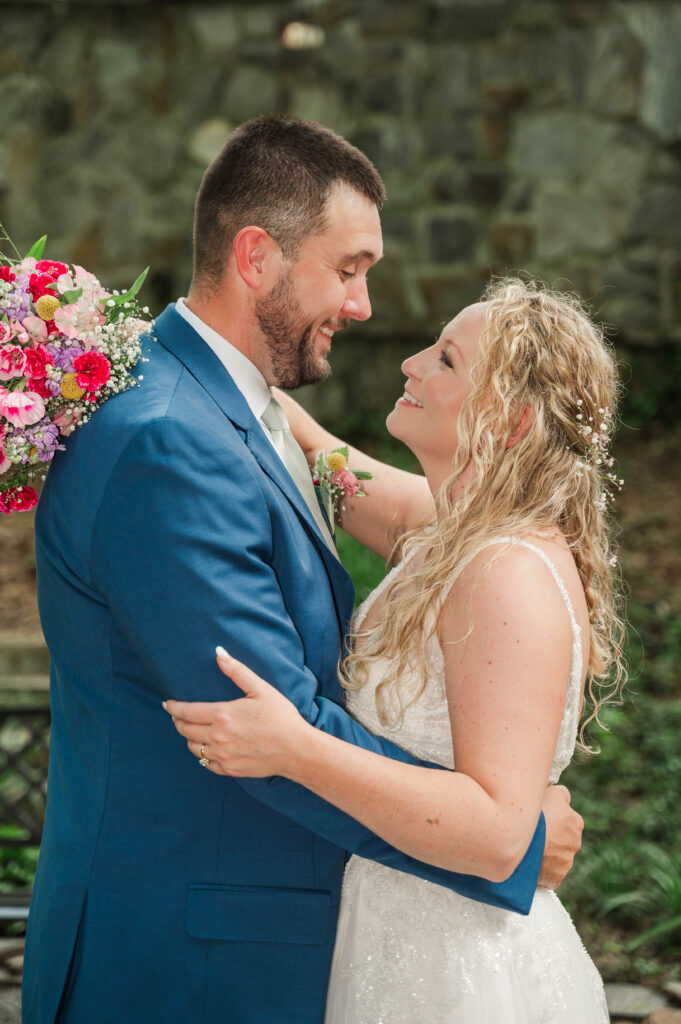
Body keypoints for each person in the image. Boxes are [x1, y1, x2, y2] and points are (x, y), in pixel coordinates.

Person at [24, 116, 581, 1024]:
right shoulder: (174, 441)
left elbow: (414, 507)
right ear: (257, 258)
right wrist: (505, 844)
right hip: (185, 962)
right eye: (349, 268)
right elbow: (265, 734)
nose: (364, 307)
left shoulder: (233, 405)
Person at [165, 278, 624, 1023]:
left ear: (507, 421)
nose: (410, 362)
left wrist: (295, 749)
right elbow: (324, 461)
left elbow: (501, 835)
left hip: (461, 966)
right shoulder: (446, 530)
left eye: (444, 359)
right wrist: (175, 352)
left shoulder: (504, 571)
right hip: (390, 931)